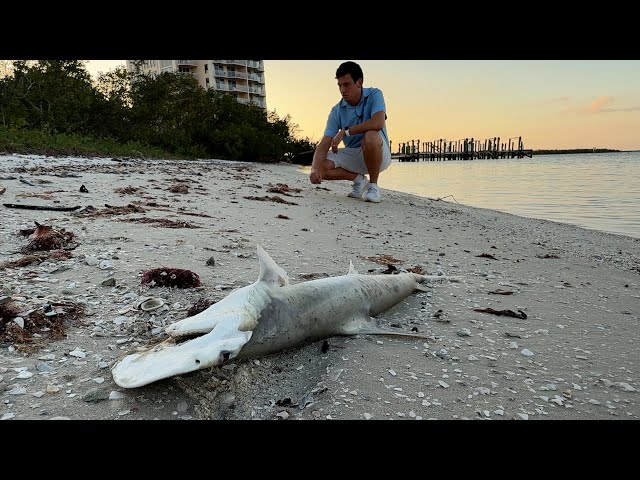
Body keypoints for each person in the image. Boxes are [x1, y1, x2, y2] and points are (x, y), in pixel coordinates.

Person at [309, 61, 391, 203]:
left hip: (378, 152)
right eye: (339, 86)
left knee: (371, 135)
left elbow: (378, 122)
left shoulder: (375, 94)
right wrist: (314, 168)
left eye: (346, 85)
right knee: (320, 167)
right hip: (354, 154)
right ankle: (358, 180)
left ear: (359, 83)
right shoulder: (336, 110)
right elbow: (325, 142)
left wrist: (345, 132)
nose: (342, 90)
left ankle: (373, 186)